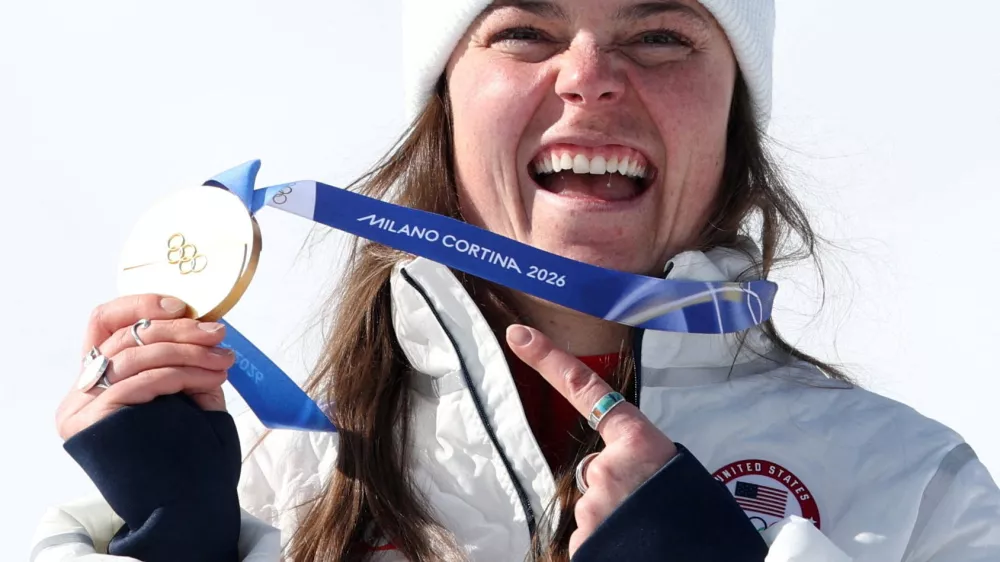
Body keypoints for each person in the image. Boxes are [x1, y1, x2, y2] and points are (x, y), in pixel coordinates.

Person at [30, 0, 1000, 560]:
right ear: (443, 106)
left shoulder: (913, 489)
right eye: (523, 30)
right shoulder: (280, 484)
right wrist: (166, 546)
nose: (588, 74)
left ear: (736, 117)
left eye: (660, 32)